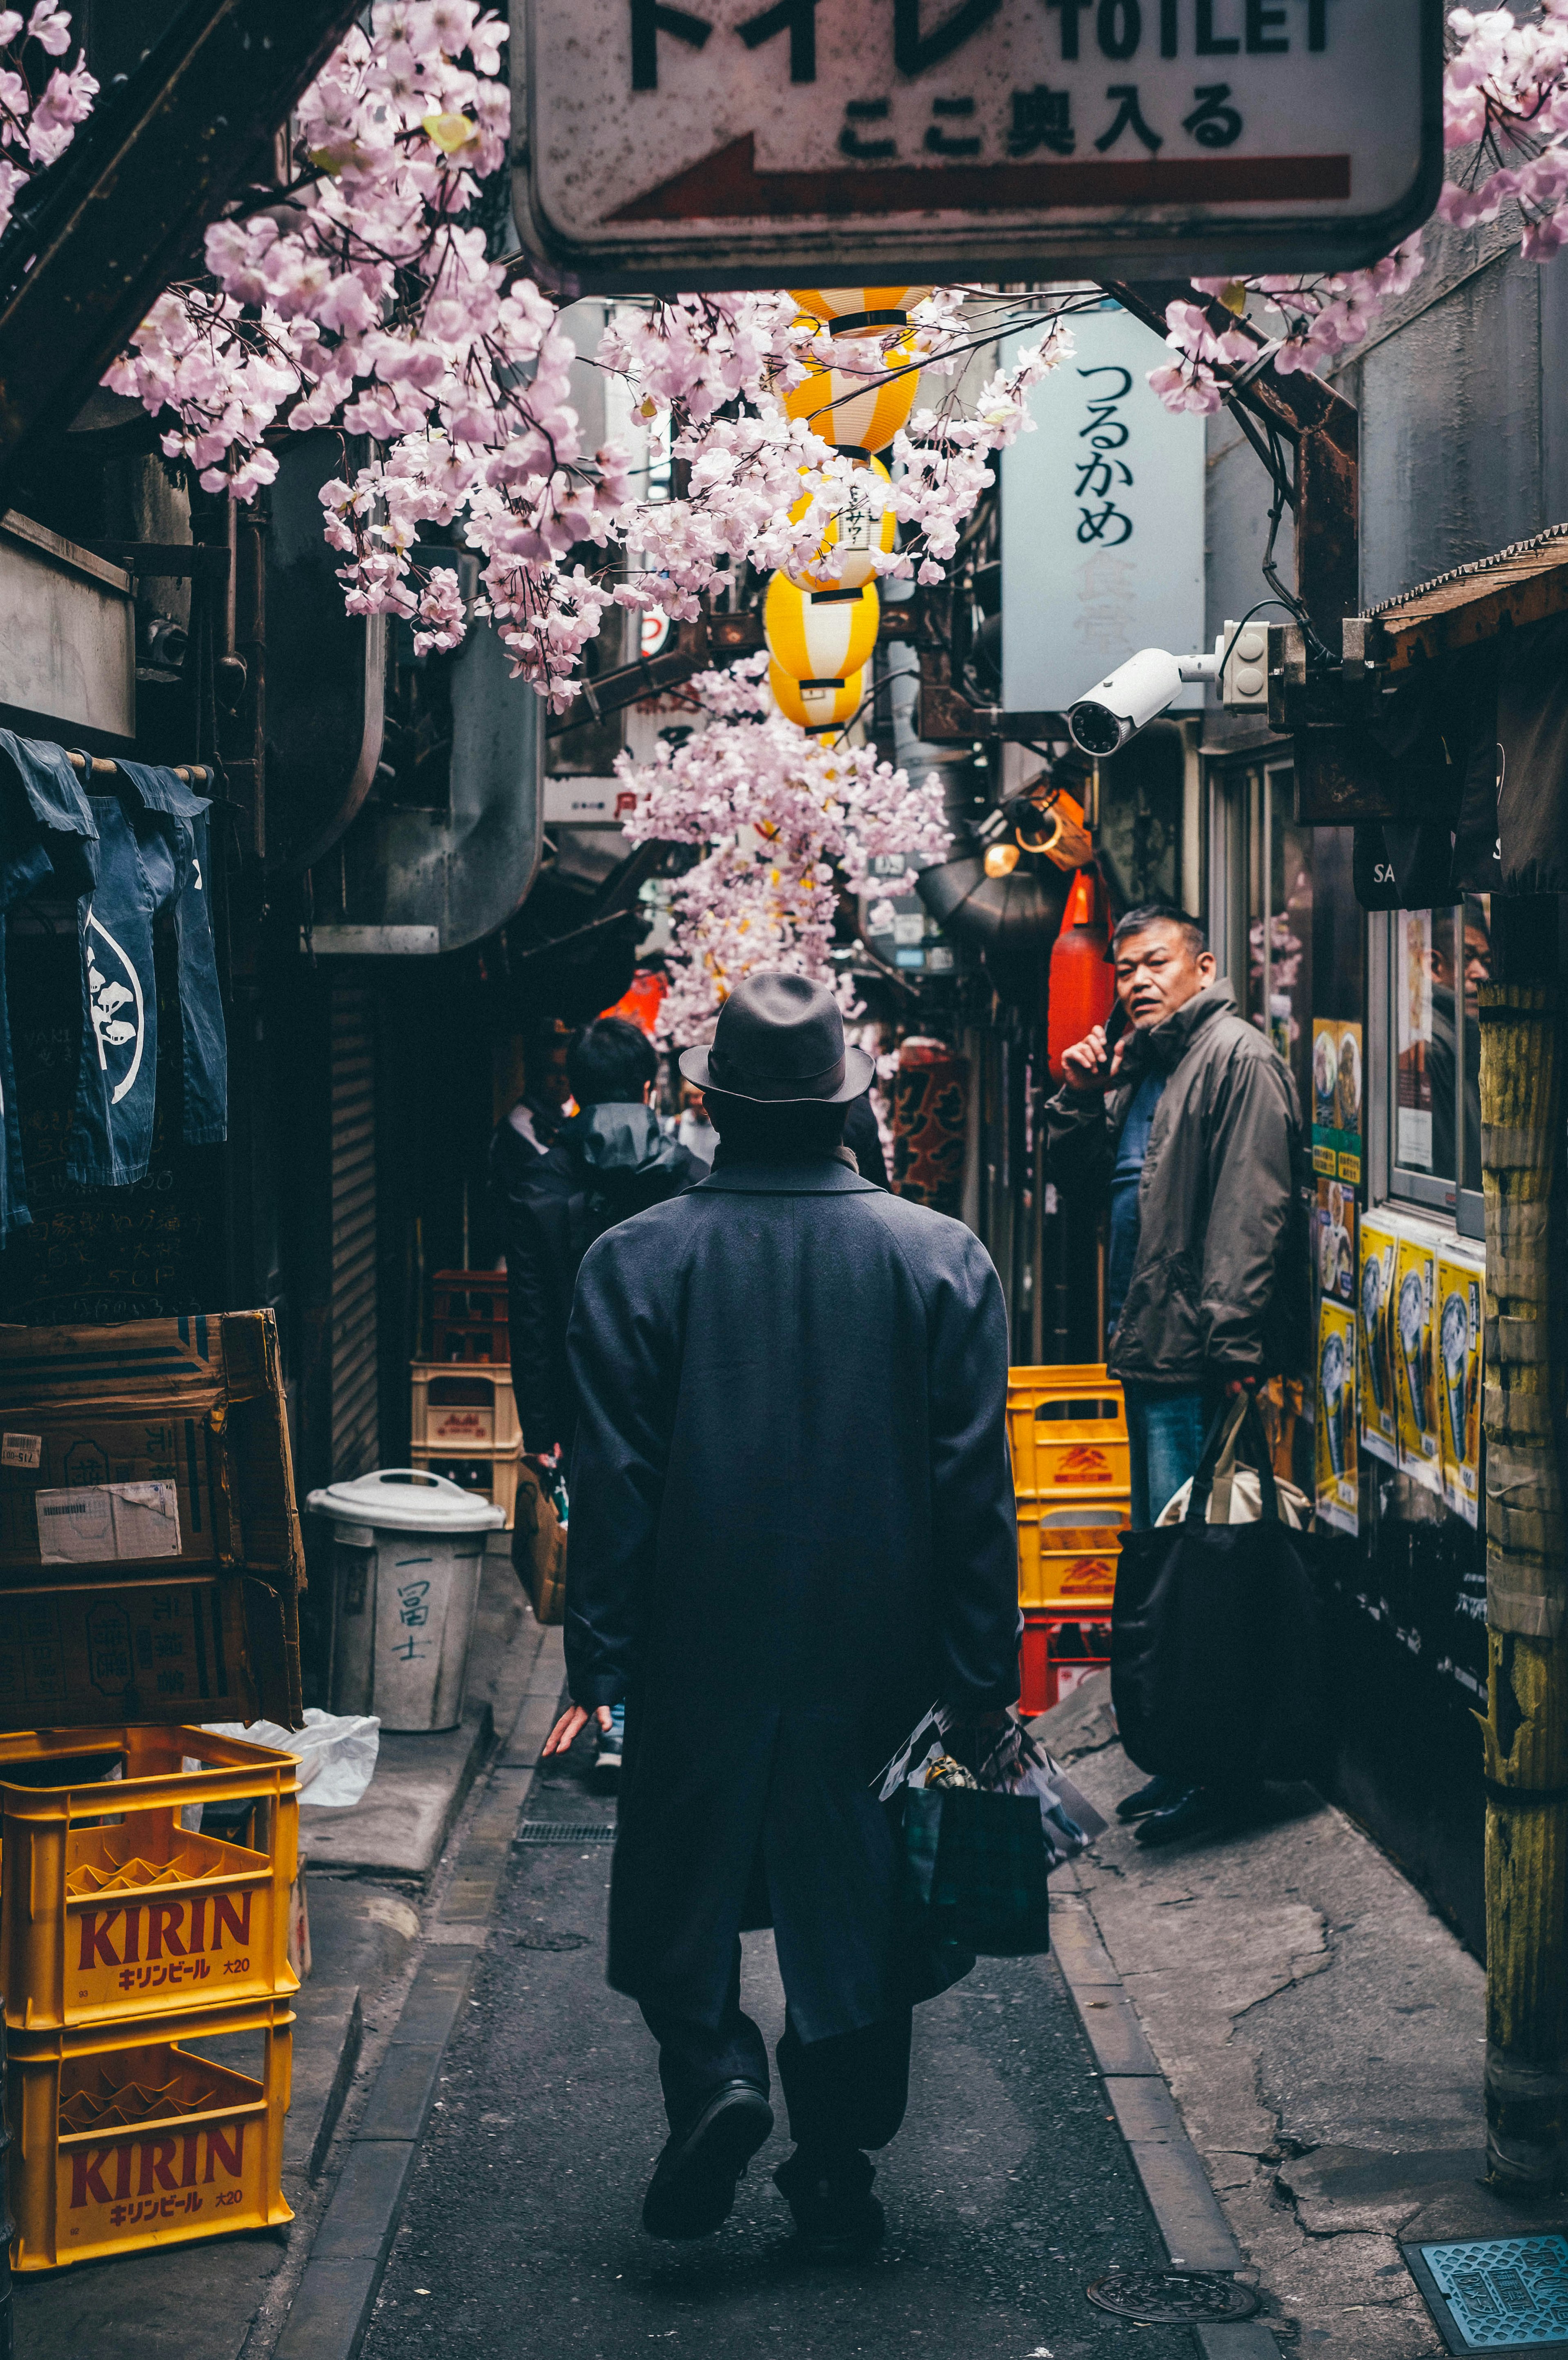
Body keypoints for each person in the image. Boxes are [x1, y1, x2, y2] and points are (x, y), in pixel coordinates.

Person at [542, 972, 1019, 2255]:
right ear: (849, 1107)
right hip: (885, 1661)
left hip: (698, 1645)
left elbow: (616, 1487)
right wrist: (982, 1681)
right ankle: (835, 2166)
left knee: (678, 1888)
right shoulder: (941, 1258)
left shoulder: (634, 1260)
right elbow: (976, 1491)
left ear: (706, 1105)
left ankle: (714, 2073)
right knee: (863, 1908)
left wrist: (603, 1664)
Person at [1045, 903, 1307, 1849]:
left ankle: (1225, 1772)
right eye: (1123, 971)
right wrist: (1080, 1091)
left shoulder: (1235, 1059)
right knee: (1176, 1570)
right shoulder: (1146, 1063)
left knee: (1206, 1577)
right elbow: (1075, 1184)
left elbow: (1253, 1208)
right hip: (1151, 1351)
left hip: (1199, 1361)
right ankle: (1195, 1760)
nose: (1137, 982)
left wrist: (1234, 1349)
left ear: (1204, 965)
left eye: (1155, 964)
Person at [501, 1017, 707, 1772]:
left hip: (585, 1399)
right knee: (673, 1542)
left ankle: (610, 1707)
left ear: (574, 1090)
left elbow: (529, 1314)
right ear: (650, 1086)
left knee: (598, 1542)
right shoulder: (686, 1173)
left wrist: (541, 1424)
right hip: (678, 1397)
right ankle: (657, 1702)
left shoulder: (543, 1180)